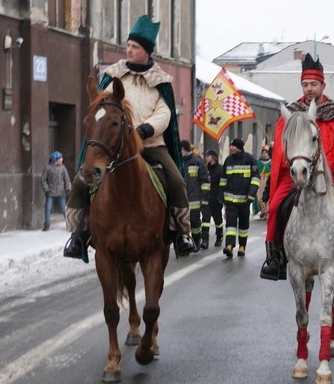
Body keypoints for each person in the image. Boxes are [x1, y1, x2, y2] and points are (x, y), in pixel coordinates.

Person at [64, 15, 195, 261]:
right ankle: (78, 235)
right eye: (128, 46)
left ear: (146, 51)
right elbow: (101, 106)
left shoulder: (161, 81)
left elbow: (165, 112)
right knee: (83, 180)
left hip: (151, 145)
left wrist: (145, 129)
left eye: (134, 47)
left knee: (176, 181)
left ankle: (181, 233)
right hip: (116, 146)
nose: (129, 51)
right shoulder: (114, 76)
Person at [260, 54, 334, 280]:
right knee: (274, 207)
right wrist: (298, 164)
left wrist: (321, 167)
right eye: (305, 84)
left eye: (313, 84)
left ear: (323, 84)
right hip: (296, 173)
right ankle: (274, 257)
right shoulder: (292, 113)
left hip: (331, 174)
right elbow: (283, 148)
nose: (309, 88)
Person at [219, 138, 259, 258]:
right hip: (230, 200)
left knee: (243, 225)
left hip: (245, 200)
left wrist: (251, 195)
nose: (231, 148)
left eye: (233, 146)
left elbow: (255, 179)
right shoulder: (228, 160)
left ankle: (242, 246)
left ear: (239, 148)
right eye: (230, 146)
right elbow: (223, 179)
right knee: (230, 224)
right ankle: (229, 246)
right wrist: (221, 195)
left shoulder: (250, 159)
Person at [181, 140, 209, 249]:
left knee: (195, 222)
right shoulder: (179, 162)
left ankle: (196, 240)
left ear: (184, 149)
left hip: (195, 199)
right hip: (182, 198)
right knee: (182, 222)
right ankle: (185, 243)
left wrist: (204, 196)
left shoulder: (197, 162)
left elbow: (204, 181)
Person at [40, 151, 71, 231]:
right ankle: (46, 225)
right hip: (50, 193)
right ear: (55, 159)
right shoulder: (47, 168)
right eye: (60, 158)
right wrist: (46, 189)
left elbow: (67, 179)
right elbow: (43, 180)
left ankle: (69, 224)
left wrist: (68, 188)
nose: (62, 159)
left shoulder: (63, 168)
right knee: (47, 209)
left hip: (61, 193)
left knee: (64, 210)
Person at [201, 149, 224, 248]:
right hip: (206, 198)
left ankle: (219, 236)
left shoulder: (220, 169)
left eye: (207, 156)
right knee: (205, 220)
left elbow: (223, 185)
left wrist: (220, 198)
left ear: (213, 157)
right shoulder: (205, 169)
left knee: (217, 219)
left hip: (216, 199)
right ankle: (205, 240)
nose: (205, 157)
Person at [256, 146, 271, 219]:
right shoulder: (258, 163)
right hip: (260, 181)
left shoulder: (271, 162)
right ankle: (262, 210)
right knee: (259, 198)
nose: (264, 154)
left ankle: (266, 213)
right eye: (263, 153)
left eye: (266, 153)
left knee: (267, 197)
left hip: (267, 182)